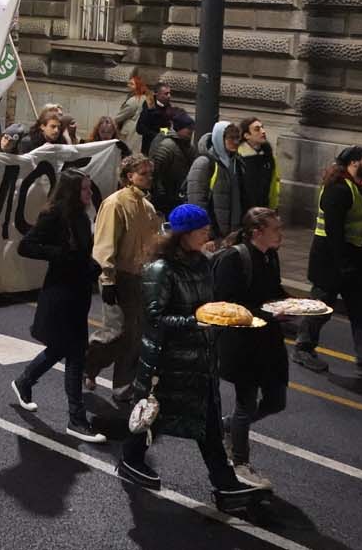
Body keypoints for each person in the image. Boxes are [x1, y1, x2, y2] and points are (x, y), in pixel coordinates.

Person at [117, 203, 258, 507]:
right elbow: (155, 319)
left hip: (200, 360)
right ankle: (130, 459)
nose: (208, 233)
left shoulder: (202, 263)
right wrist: (198, 322)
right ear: (184, 234)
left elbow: (210, 303)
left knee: (206, 421)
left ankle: (225, 484)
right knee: (152, 415)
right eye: (202, 229)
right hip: (167, 363)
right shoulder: (160, 270)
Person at [11, 170, 104, 442]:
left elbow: (81, 254)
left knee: (62, 349)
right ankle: (76, 419)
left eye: (89, 189)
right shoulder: (54, 216)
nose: (89, 194)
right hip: (61, 295)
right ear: (72, 192)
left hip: (78, 293)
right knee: (75, 355)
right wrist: (60, 255)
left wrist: (90, 266)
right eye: (85, 190)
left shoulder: (80, 216)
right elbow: (26, 246)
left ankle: (24, 382)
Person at [212, 207, 290, 489]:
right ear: (257, 232)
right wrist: (271, 314)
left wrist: (294, 304)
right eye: (276, 229)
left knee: (276, 401)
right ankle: (240, 463)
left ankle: (227, 425)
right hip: (242, 343)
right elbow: (226, 304)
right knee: (246, 403)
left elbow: (274, 291)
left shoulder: (270, 255)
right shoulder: (234, 259)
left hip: (268, 341)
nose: (281, 234)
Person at [295, 146, 362, 374]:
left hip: (352, 259)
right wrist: (343, 265)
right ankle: (303, 348)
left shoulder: (356, 188)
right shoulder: (339, 190)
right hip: (331, 261)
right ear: (354, 163)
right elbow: (334, 233)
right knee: (320, 308)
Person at [84, 155, 162, 402]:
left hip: (139, 276)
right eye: (144, 173)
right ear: (129, 176)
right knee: (116, 331)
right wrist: (107, 279)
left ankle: (123, 386)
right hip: (118, 275)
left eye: (150, 173)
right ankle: (88, 362)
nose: (149, 177)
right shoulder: (115, 204)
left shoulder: (147, 208)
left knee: (135, 334)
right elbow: (104, 244)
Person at [186, 119, 242, 234]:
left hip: (231, 233)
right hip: (212, 233)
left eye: (237, 138)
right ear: (219, 139)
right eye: (231, 138)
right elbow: (197, 199)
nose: (236, 142)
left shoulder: (236, 162)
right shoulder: (204, 163)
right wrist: (206, 232)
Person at [147, 112, 194, 215]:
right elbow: (156, 171)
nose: (191, 130)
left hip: (177, 193)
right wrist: (160, 192)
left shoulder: (188, 146)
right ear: (179, 128)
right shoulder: (167, 146)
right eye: (188, 127)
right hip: (167, 194)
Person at [235, 116, 280, 214]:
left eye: (262, 127)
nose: (263, 131)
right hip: (243, 212)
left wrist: (273, 208)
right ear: (246, 135)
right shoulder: (237, 158)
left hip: (263, 211)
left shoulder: (268, 157)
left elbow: (273, 185)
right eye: (257, 129)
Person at [134, 80, 175, 156]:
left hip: (162, 148)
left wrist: (165, 134)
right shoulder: (149, 105)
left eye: (169, 93)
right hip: (149, 147)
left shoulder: (168, 106)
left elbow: (166, 126)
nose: (169, 96)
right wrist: (156, 135)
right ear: (157, 94)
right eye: (166, 94)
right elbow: (140, 128)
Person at [113, 69, 149, 146]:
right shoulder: (145, 98)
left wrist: (113, 122)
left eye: (131, 84)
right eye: (128, 83)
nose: (128, 85)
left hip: (130, 132)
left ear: (138, 86)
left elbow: (119, 117)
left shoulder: (133, 100)